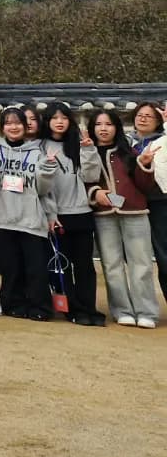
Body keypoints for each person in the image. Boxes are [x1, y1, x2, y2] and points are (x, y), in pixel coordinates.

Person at [81, 109, 159, 329]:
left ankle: (146, 311)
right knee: (111, 265)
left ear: (116, 127)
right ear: (91, 128)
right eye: (98, 124)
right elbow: (84, 181)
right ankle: (122, 310)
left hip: (134, 212)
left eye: (108, 124)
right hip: (104, 215)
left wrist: (143, 165)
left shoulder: (129, 152)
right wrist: (95, 192)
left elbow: (144, 186)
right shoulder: (86, 152)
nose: (103, 129)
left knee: (141, 264)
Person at [0, 107, 55, 321]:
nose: (13, 127)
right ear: (2, 127)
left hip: (31, 218)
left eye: (18, 123)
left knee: (35, 268)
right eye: (8, 123)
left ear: (26, 127)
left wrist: (46, 170)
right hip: (0, 217)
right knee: (10, 267)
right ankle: (13, 304)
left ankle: (40, 307)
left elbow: (44, 190)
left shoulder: (38, 152)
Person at [36, 102, 101, 325]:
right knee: (62, 265)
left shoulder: (78, 143)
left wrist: (89, 150)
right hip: (57, 215)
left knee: (84, 265)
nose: (60, 121)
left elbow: (91, 176)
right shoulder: (40, 147)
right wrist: (50, 215)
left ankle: (89, 307)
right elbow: (42, 189)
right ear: (47, 121)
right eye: (54, 118)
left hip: (82, 212)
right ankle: (73, 309)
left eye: (64, 117)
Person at [126, 103, 167, 303]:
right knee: (137, 258)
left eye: (149, 116)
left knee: (164, 256)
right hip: (135, 206)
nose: (142, 119)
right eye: (139, 115)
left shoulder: (163, 140)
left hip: (161, 202)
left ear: (158, 122)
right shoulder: (128, 145)